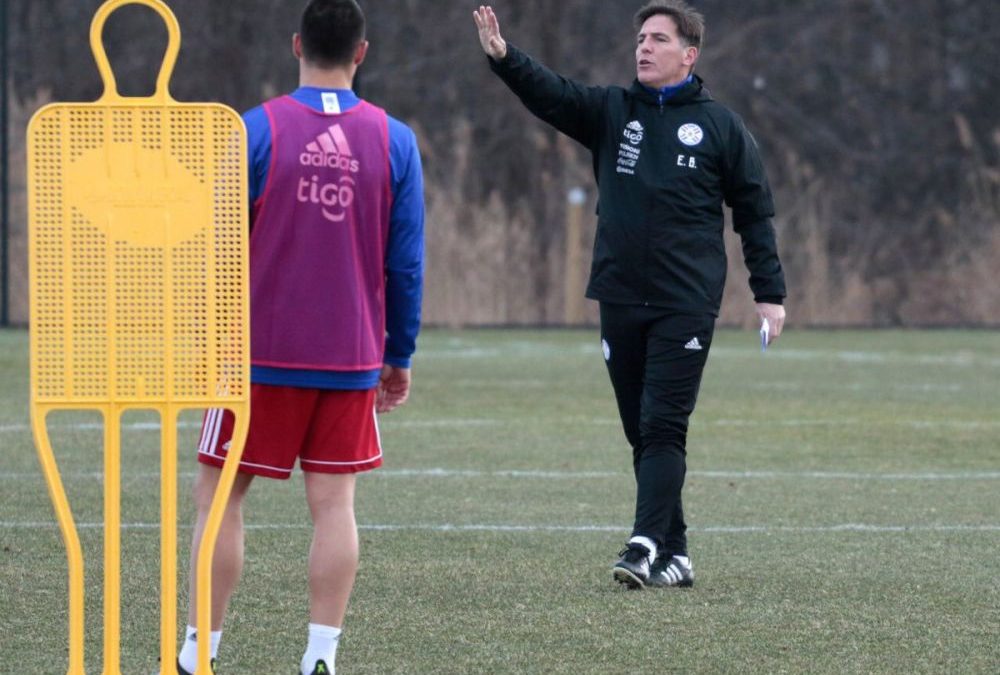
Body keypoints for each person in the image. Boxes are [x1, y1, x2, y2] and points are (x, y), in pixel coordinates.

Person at [474, 1, 786, 590]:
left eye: (658, 39)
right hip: (619, 294)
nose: (644, 47)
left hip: (685, 302)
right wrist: (505, 58)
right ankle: (677, 552)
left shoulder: (721, 126)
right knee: (641, 431)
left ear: (689, 55)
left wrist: (769, 294)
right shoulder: (613, 111)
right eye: (641, 37)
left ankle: (642, 545)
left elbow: (755, 215)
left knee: (664, 425)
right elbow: (553, 94)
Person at [176, 1, 424, 672]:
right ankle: (320, 658)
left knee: (218, 498)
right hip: (349, 356)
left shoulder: (254, 129)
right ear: (361, 52)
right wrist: (398, 353)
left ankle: (198, 652)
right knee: (334, 505)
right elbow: (406, 263)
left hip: (254, 358)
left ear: (296, 45)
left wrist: (205, 342)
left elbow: (216, 250)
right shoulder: (396, 140)